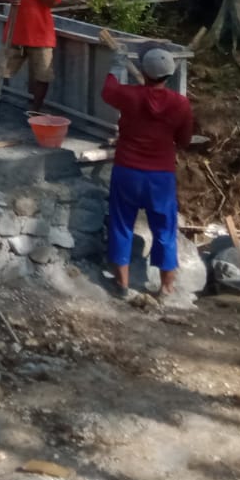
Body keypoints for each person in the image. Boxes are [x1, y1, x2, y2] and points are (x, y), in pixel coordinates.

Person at [100, 41, 194, 300]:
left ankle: (121, 285)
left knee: (121, 225)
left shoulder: (130, 96)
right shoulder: (180, 104)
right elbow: (184, 141)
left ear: (144, 71)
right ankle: (166, 288)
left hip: (127, 170)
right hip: (160, 176)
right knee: (164, 230)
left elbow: (108, 91)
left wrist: (116, 65)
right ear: (169, 73)